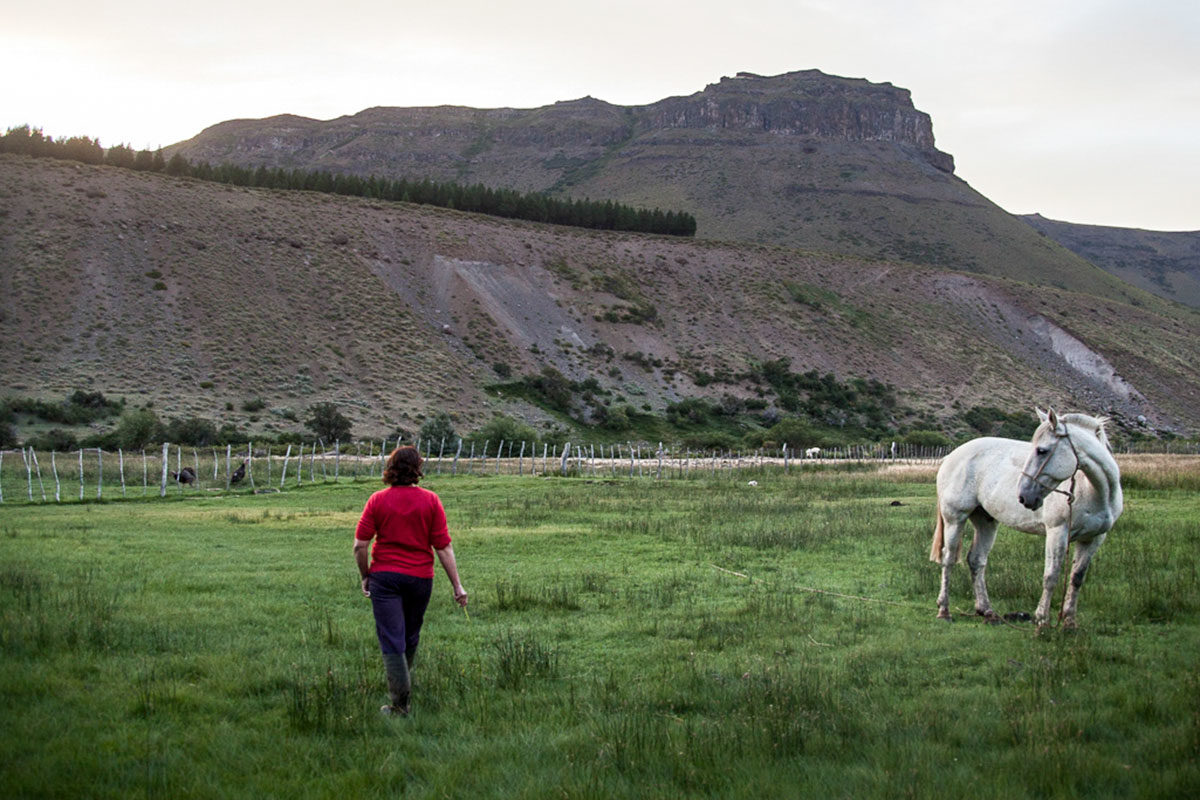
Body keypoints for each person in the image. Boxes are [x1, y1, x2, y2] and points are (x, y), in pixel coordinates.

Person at [354, 446, 467, 716]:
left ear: (391, 467)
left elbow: (360, 545)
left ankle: (400, 704)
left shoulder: (377, 500)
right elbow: (443, 547)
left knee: (392, 637)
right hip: (420, 579)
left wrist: (365, 575)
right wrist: (457, 586)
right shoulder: (431, 500)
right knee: (410, 634)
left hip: (385, 578)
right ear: (417, 468)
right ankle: (403, 689)